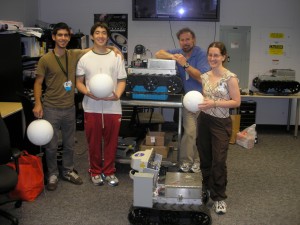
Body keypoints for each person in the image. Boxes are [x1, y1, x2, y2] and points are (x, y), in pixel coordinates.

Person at [33, 22, 84, 191]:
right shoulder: (45, 59)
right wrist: (38, 103)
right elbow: (38, 83)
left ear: (69, 38)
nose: (63, 38)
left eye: (66, 35)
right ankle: (53, 174)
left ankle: (68, 170)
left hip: (69, 108)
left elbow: (93, 49)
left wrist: (114, 49)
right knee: (51, 145)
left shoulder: (74, 54)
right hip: (51, 108)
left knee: (69, 143)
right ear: (54, 37)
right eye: (60, 35)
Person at [76, 22, 127, 187]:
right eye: (97, 33)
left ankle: (110, 171)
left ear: (107, 36)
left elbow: (121, 80)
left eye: (104, 33)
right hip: (92, 106)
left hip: (113, 106)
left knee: (112, 142)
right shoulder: (84, 58)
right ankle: (96, 171)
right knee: (94, 142)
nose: (100, 36)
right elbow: (78, 82)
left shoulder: (116, 56)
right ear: (92, 36)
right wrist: (87, 92)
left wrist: (117, 95)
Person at [155, 27, 210, 173]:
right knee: (190, 131)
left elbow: (201, 78)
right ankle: (186, 161)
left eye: (188, 39)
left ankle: (198, 161)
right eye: (182, 40)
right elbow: (158, 53)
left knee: (201, 133)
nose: (185, 42)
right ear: (179, 42)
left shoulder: (201, 54)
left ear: (194, 40)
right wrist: (174, 58)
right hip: (189, 101)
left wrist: (185, 64)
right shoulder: (178, 53)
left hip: (204, 100)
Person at [196, 42, 241, 214]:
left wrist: (214, 103)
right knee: (205, 158)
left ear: (223, 57)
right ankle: (207, 188)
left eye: (216, 55)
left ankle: (219, 197)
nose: (212, 58)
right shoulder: (204, 76)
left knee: (219, 161)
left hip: (221, 123)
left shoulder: (230, 77)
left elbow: (236, 102)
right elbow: (204, 98)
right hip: (205, 120)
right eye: (210, 55)